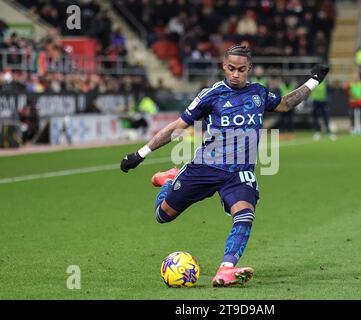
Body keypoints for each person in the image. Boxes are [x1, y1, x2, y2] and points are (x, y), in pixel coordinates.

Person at [120, 45, 329, 287]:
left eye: (241, 69)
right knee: (162, 216)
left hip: (239, 173)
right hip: (205, 167)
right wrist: (141, 153)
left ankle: (226, 269)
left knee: (245, 214)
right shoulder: (211, 95)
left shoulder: (258, 93)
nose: (236, 74)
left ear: (249, 69)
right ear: (224, 67)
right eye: (231, 68)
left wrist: (314, 80)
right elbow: (178, 126)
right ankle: (170, 180)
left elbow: (285, 104)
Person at [345, 70, 361, 135]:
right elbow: (347, 92)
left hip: (360, 102)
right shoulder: (350, 83)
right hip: (353, 102)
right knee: (353, 116)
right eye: (354, 75)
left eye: (357, 76)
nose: (356, 77)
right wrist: (351, 95)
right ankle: (353, 128)